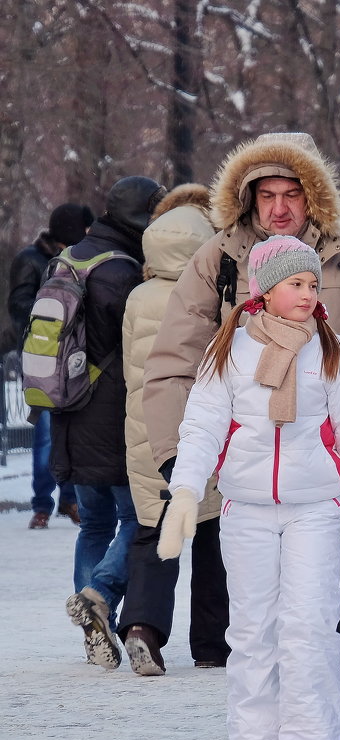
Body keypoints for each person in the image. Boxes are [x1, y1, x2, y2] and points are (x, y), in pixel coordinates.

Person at [143, 132, 340, 740]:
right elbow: (176, 362)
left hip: (336, 464)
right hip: (244, 471)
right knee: (255, 616)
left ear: (312, 196)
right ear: (247, 201)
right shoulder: (220, 259)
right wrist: (178, 463)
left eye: (291, 193)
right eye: (265, 195)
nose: (278, 207)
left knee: (328, 601)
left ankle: (326, 719)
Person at [156, 236, 340, 740]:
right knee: (253, 630)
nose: (308, 294)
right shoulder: (228, 349)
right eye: (296, 284)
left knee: (309, 625)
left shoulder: (333, 351)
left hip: (316, 508)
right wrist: (185, 492)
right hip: (246, 510)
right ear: (265, 289)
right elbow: (203, 425)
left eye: (312, 283)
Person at [117, 186, 230, 675]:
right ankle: (211, 643)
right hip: (202, 426)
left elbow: (128, 367)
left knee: (151, 531)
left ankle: (142, 628)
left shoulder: (137, 297)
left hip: (144, 427)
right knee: (211, 534)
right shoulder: (208, 293)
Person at [61, 176, 166, 670]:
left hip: (69, 406)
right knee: (138, 516)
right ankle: (98, 594)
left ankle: (92, 626)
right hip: (113, 411)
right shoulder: (123, 270)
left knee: (94, 521)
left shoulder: (70, 257)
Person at [8, 202, 93, 529]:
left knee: (71, 433)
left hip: (70, 358)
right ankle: (42, 504)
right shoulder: (30, 259)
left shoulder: (75, 259)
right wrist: (55, 309)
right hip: (42, 358)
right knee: (45, 436)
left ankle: (69, 500)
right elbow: (18, 307)